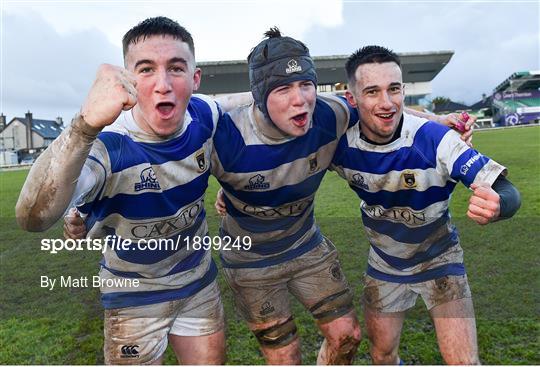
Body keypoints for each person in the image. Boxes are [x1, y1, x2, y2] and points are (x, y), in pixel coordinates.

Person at [16, 17, 231, 365]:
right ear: (127, 82)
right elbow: (32, 218)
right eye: (146, 70)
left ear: (195, 79)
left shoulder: (205, 112)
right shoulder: (108, 144)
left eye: (175, 68)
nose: (163, 84)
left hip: (197, 281)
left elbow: (255, 106)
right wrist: (84, 124)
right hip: (134, 294)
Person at [331, 45, 521, 364]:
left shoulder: (435, 140)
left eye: (394, 89)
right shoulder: (339, 143)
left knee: (464, 362)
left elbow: (505, 188)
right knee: (382, 355)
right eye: (372, 92)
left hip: (439, 258)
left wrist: (500, 203)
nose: (387, 103)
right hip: (385, 263)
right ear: (353, 99)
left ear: (403, 89)